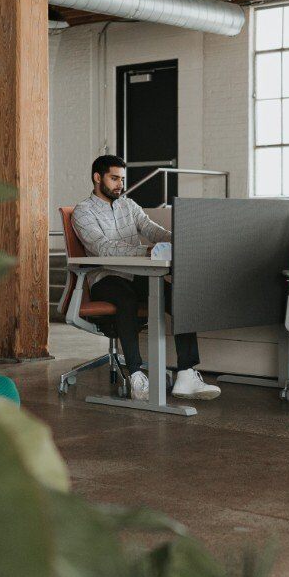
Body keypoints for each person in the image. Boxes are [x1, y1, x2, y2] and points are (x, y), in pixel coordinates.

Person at [71, 155, 221, 402]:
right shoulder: (83, 211)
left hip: (136, 273)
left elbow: (152, 229)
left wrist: (179, 239)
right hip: (104, 277)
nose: (120, 184)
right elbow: (102, 248)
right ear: (98, 178)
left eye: (122, 179)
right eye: (114, 178)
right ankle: (136, 376)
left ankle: (186, 374)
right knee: (127, 301)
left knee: (178, 296)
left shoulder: (128, 205)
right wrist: (147, 251)